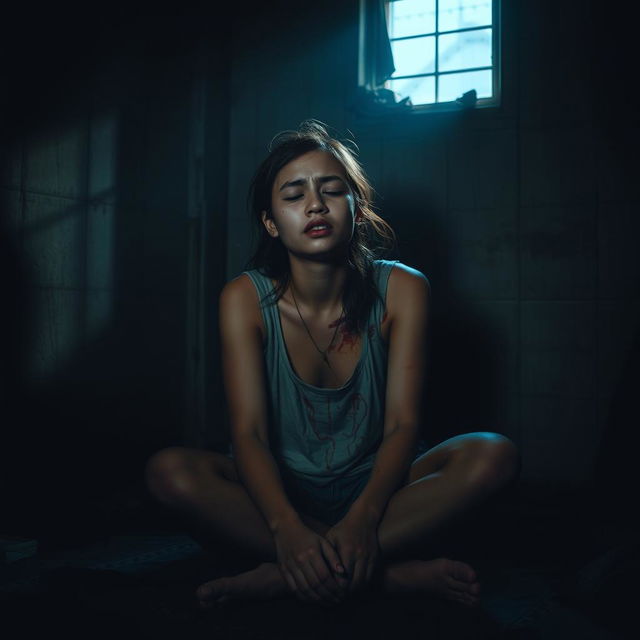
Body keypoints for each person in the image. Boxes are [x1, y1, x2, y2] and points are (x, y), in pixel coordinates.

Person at [144, 120, 520, 609]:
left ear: (356, 209)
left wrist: (364, 516)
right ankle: (387, 577)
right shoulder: (244, 298)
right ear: (271, 223)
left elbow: (404, 424)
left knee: (494, 454)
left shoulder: (403, 288)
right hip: (281, 489)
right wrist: (285, 527)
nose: (315, 205)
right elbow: (250, 434)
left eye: (331, 190)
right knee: (169, 471)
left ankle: (290, 576)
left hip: (379, 484)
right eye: (294, 195)